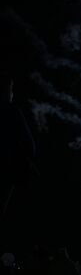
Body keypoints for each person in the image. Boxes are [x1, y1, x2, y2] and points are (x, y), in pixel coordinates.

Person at [0, 73, 36, 219]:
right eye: (10, 89)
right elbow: (30, 146)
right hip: (6, 170)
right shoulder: (12, 111)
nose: (12, 93)